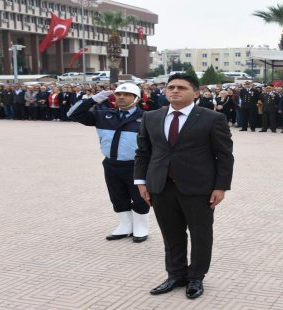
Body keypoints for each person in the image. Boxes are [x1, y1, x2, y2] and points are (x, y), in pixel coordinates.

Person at [134, 73, 234, 299]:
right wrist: (141, 182)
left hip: (199, 189)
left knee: (200, 234)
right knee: (171, 234)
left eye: (181, 87)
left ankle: (196, 277)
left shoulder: (211, 118)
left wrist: (221, 187)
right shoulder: (151, 117)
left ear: (196, 93)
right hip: (161, 187)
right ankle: (175, 275)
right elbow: (143, 152)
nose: (174, 91)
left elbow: (224, 156)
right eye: (171, 87)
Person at [68, 83, 151, 243]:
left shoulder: (147, 118)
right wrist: (92, 100)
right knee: (117, 197)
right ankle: (125, 226)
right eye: (118, 94)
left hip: (136, 165)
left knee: (139, 198)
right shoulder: (104, 114)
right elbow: (73, 114)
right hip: (111, 164)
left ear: (136, 98)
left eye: (126, 95)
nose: (121, 97)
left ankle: (141, 227)